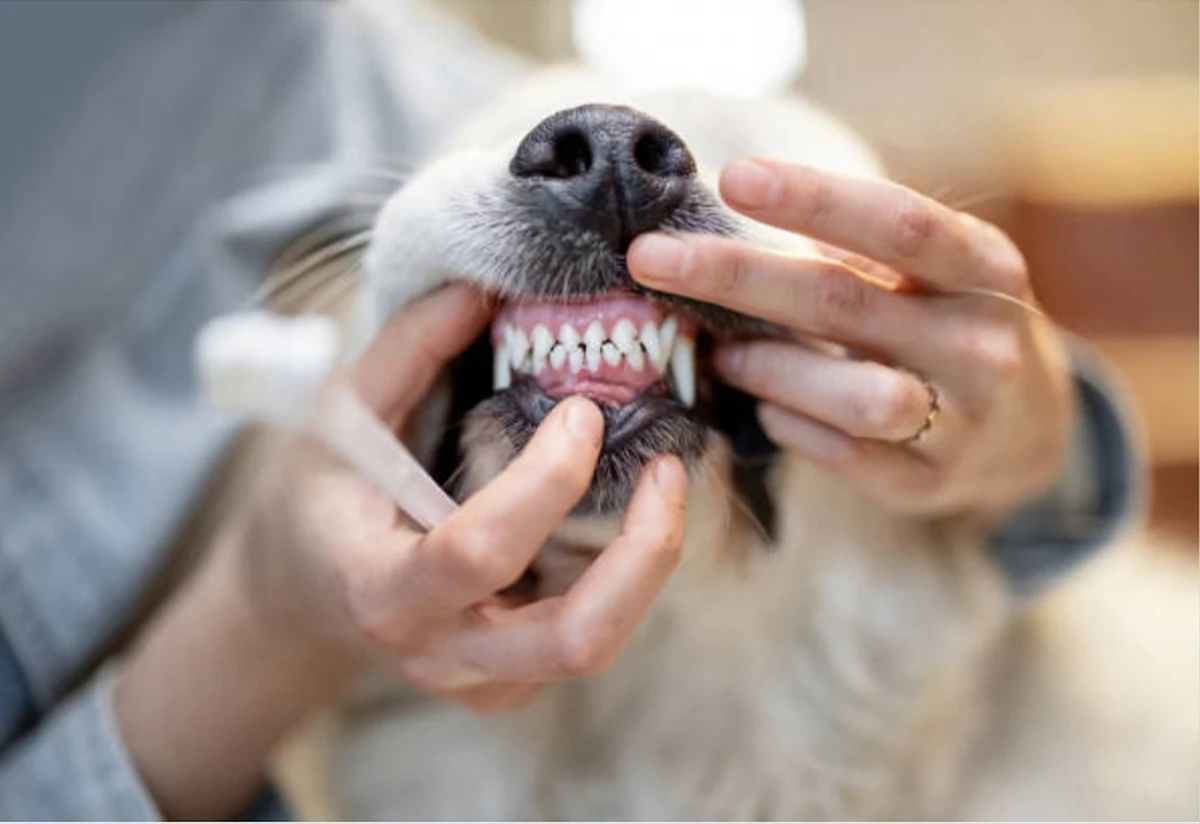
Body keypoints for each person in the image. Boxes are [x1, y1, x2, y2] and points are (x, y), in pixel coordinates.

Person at [0, 0, 1138, 820]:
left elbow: (505, 126)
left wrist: (1038, 437)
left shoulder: (320, 58)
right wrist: (263, 609)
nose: (612, 156)